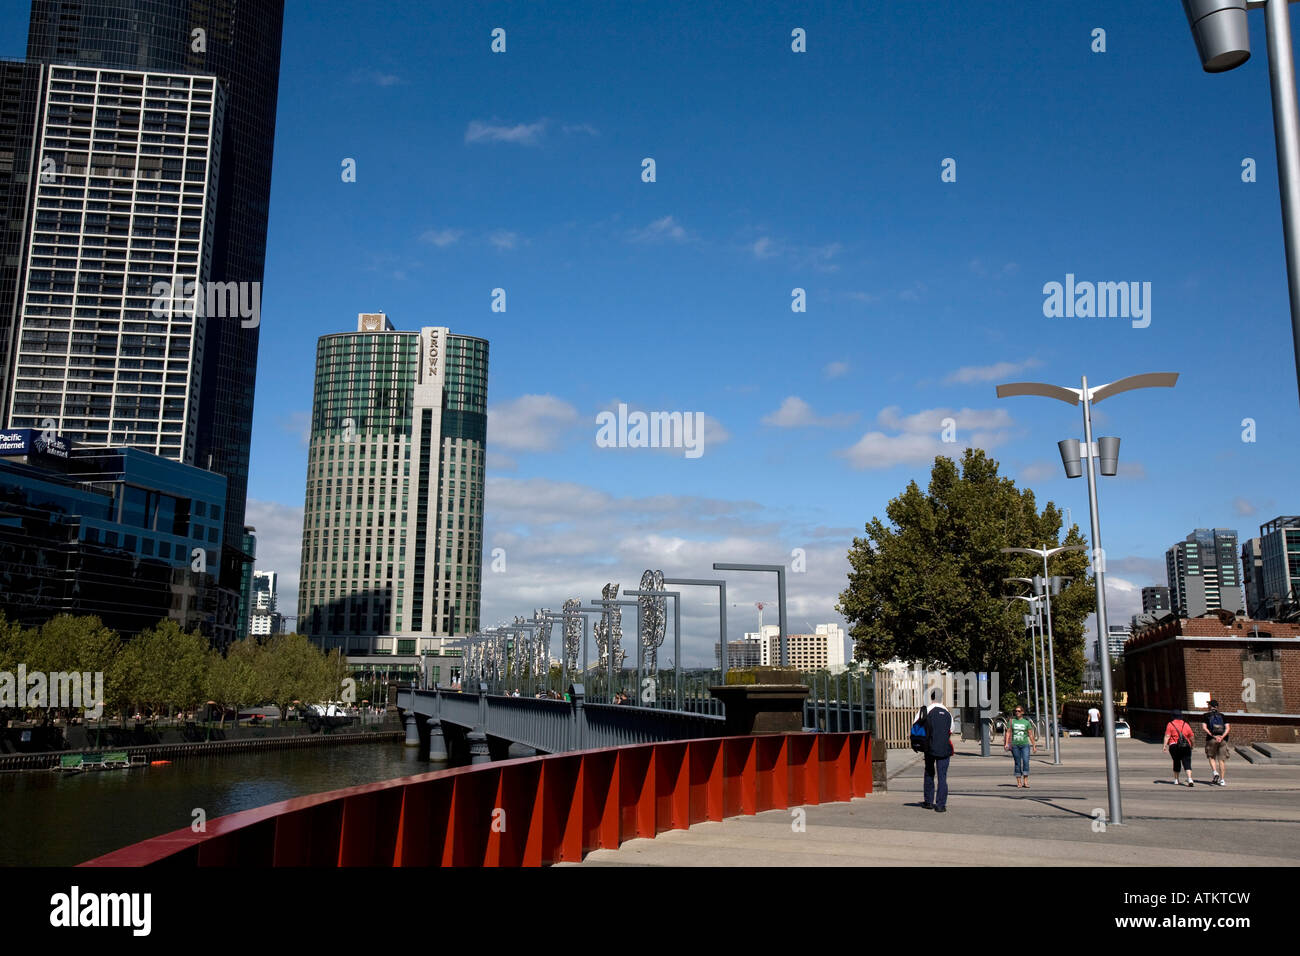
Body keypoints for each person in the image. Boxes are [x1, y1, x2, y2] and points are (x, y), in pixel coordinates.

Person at [919, 689, 954, 812]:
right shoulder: (947, 713)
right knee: (942, 777)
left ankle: (928, 801)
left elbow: (917, 727)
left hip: (930, 748)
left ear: (931, 697)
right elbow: (951, 730)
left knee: (929, 773)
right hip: (944, 748)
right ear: (941, 698)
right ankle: (940, 805)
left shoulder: (926, 711)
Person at [1003, 705, 1037, 788]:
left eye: (1019, 711)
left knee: (1026, 761)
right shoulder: (1012, 721)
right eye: (1016, 711)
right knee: (1017, 763)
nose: (1017, 712)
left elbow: (1030, 734)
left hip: (1025, 744)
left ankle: (1025, 781)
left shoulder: (1026, 722)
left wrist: (1034, 745)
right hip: (1015, 745)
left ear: (1022, 712)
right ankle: (1019, 782)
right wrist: (1006, 743)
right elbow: (1008, 733)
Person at [1201, 699, 1231, 786]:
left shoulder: (1206, 715)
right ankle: (1222, 780)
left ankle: (1215, 772)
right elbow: (1228, 728)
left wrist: (1213, 736)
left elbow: (1204, 727)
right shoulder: (1223, 716)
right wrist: (1221, 736)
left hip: (1211, 739)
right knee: (1221, 760)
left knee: (1211, 757)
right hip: (1222, 740)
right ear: (1217, 707)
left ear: (1210, 706)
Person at [1163, 713, 1196, 786]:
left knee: (1176, 761)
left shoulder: (1170, 724)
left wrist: (1164, 746)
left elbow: (1167, 736)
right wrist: (1192, 745)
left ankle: (1176, 780)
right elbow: (1191, 736)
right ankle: (1190, 779)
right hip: (1186, 746)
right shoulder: (1186, 724)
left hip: (1174, 745)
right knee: (1187, 761)